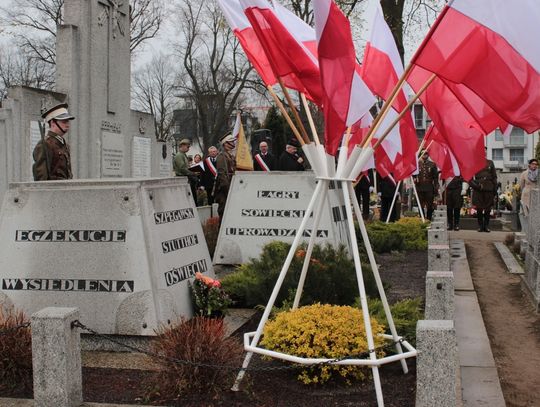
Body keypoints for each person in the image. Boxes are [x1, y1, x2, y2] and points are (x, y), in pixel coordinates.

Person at [33, 103, 75, 181]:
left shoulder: (64, 144)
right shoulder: (45, 144)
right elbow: (41, 178)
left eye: (68, 122)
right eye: (64, 122)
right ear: (53, 123)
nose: (68, 125)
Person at [470, 157, 497, 232]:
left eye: (485, 151)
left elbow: (494, 176)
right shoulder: (474, 163)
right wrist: (475, 185)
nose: (484, 152)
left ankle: (486, 226)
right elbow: (470, 177)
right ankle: (480, 226)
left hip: (488, 188)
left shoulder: (490, 162)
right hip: (478, 188)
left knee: (488, 209)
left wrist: (495, 188)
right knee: (479, 208)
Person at [214, 133, 236, 223]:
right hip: (224, 191)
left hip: (230, 188)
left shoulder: (230, 156)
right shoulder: (222, 156)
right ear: (225, 144)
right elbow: (222, 176)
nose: (233, 144)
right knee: (223, 215)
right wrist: (228, 191)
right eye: (231, 142)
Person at [414, 152, 438, 220]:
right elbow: (413, 175)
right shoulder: (417, 164)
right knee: (420, 204)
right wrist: (415, 179)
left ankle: (429, 219)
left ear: (428, 155)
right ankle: (422, 219)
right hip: (419, 187)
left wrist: (436, 187)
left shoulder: (432, 164)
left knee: (429, 205)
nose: (424, 155)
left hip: (429, 187)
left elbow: (435, 177)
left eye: (426, 154)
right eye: (423, 154)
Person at [518, 158, 538, 234]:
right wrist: (524, 191)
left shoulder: (538, 174)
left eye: (536, 164)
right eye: (533, 164)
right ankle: (524, 229)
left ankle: (533, 231)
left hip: (536, 194)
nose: (534, 166)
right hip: (526, 194)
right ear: (529, 165)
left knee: (534, 213)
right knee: (524, 212)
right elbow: (521, 185)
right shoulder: (524, 173)